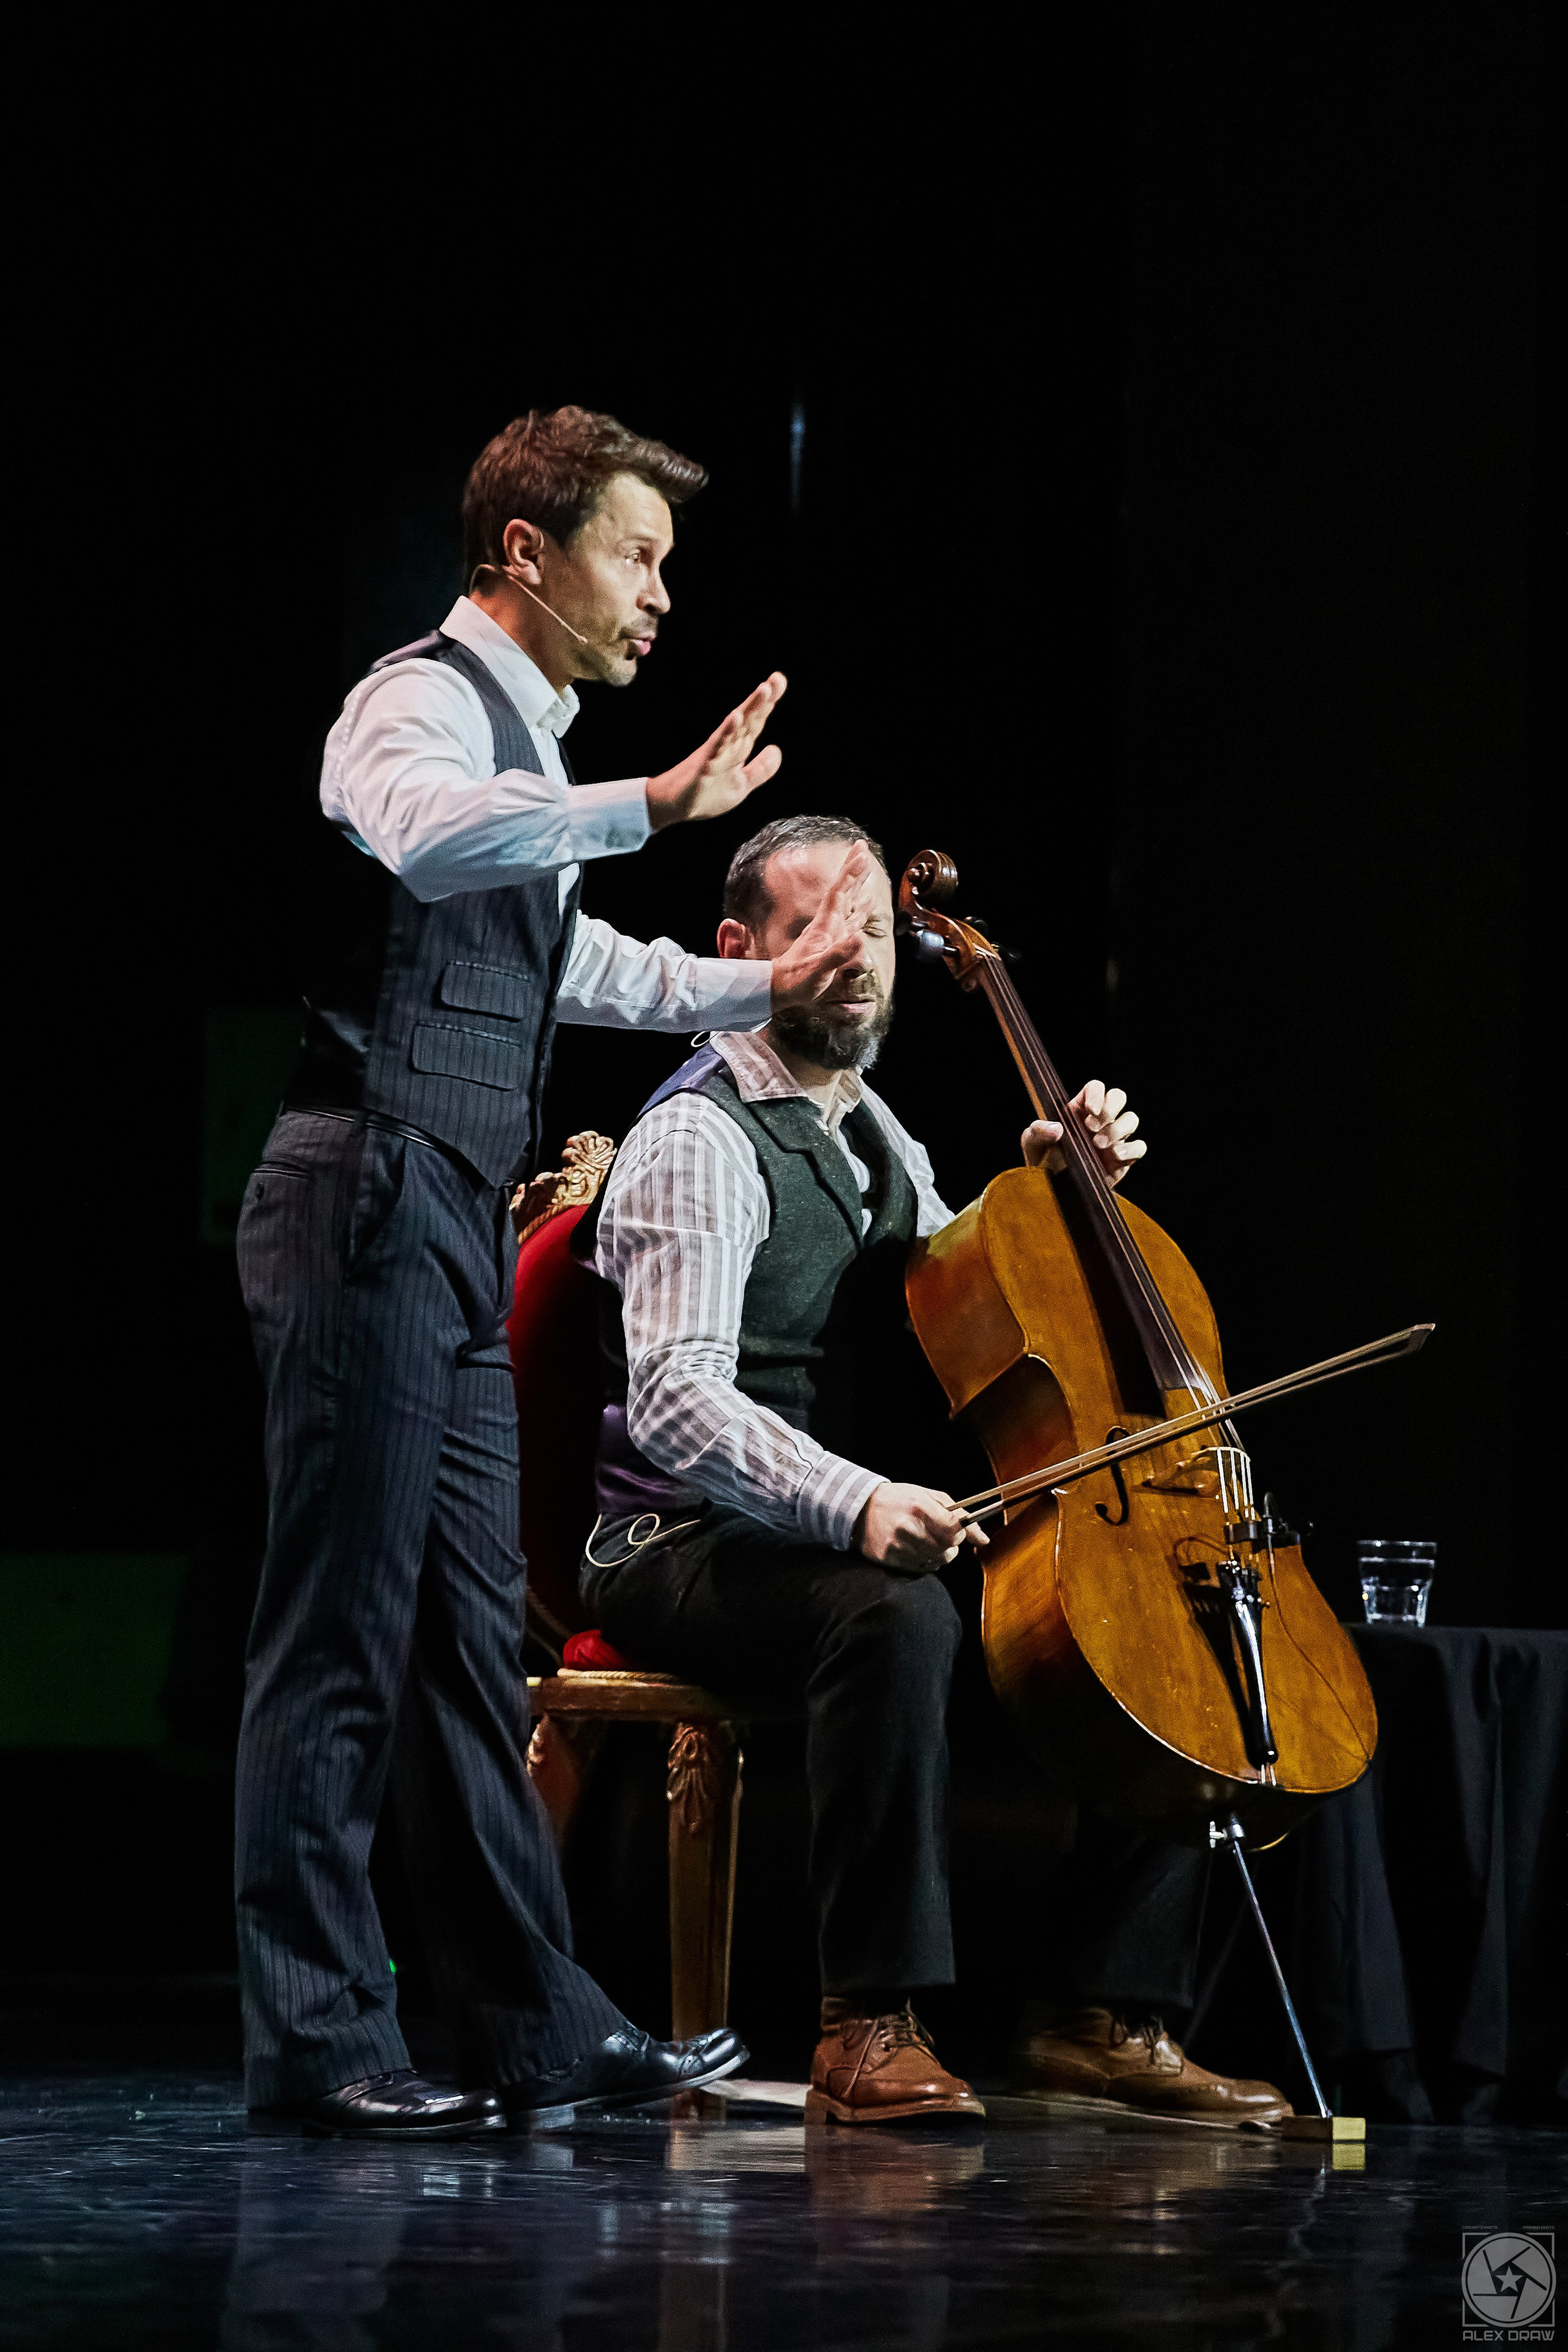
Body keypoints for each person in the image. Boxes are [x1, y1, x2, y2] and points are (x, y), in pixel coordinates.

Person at [234, 411, 867, 2136]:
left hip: (440, 1204)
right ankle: (317, 2034)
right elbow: (434, 844)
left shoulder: (527, 755)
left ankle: (537, 2018)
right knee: (344, 1636)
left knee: (460, 1647)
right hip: (363, 1183)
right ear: (529, 553)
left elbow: (570, 955)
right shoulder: (418, 706)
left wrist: (769, 988)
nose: (661, 595)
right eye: (637, 555)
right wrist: (651, 802)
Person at [579, 812, 1292, 2127]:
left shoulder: (864, 1123)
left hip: (818, 1531)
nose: (854, 957)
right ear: (736, 951)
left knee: (1144, 1610)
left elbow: (951, 1275)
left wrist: (1046, 1187)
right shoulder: (701, 1136)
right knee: (891, 1614)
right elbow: (676, 1402)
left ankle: (1095, 2012)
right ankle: (866, 2021)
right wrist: (853, 1503)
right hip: (676, 1546)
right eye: (813, 932)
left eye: (867, 931)